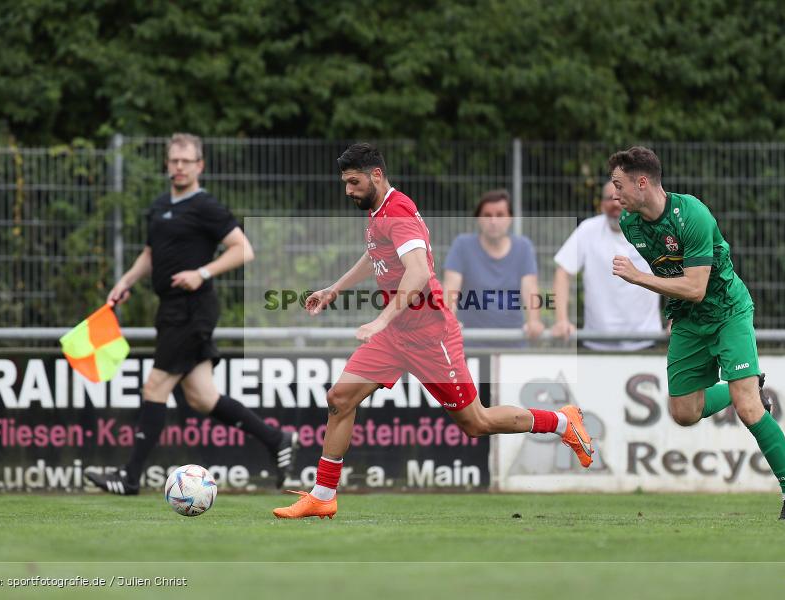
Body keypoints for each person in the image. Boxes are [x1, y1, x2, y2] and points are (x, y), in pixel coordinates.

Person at [273, 143, 594, 519]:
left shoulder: (398, 214)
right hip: (396, 336)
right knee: (341, 399)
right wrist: (334, 290)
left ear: (376, 175)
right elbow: (375, 254)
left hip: (430, 335)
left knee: (477, 422)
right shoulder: (379, 214)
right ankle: (323, 495)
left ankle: (561, 421)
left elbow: (420, 272)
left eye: (354, 182)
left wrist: (381, 319)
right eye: (345, 183)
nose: (348, 190)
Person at [86, 133, 298, 495]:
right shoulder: (158, 206)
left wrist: (202, 273)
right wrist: (126, 281)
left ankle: (130, 477)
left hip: (192, 309)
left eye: (187, 161)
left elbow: (242, 250)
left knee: (154, 386)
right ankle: (277, 439)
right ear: (167, 164)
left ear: (200, 165)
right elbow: (151, 254)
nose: (179, 167)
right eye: (174, 160)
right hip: (170, 309)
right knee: (202, 397)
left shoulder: (206, 206)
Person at [608, 146, 785, 520]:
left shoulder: (693, 215)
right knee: (684, 413)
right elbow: (673, 276)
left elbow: (698, 287)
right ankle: (742, 389)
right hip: (688, 319)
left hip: (727, 312)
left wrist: (638, 278)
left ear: (641, 182)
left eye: (618, 185)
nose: (613, 194)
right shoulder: (630, 224)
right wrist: (673, 307)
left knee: (749, 408)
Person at [552, 180, 664, 351]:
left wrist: (676, 320)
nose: (615, 204)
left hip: (645, 342)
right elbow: (562, 273)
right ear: (601, 204)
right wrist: (562, 320)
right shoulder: (588, 230)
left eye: (620, 198)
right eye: (609, 198)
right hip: (596, 343)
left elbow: (674, 271)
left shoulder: (652, 230)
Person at [442, 189, 544, 347]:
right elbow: (450, 290)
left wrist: (534, 321)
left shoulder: (523, 247)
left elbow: (530, 289)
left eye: (500, 215)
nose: (493, 221)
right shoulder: (462, 245)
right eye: (487, 215)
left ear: (510, 218)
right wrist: (449, 321)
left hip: (514, 343)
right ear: (478, 218)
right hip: (471, 344)